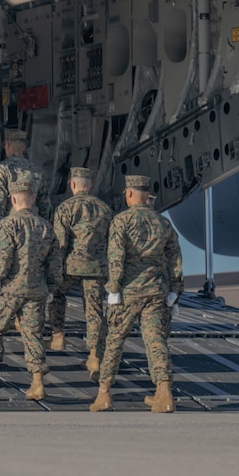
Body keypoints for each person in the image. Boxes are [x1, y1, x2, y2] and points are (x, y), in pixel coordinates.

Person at [89, 174, 183, 413]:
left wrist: (113, 290)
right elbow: (175, 261)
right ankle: (164, 394)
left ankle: (104, 394)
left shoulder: (122, 221)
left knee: (114, 341)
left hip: (128, 293)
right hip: (156, 292)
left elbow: (116, 259)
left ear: (129, 194)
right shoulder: (163, 223)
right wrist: (175, 292)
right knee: (155, 341)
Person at [0, 174, 61, 401]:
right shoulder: (46, 227)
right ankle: (37, 383)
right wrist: (52, 287)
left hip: (11, 289)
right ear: (33, 199)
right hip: (37, 290)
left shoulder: (9, 224)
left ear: (13, 199)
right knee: (33, 335)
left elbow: (4, 257)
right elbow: (55, 262)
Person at [48, 166, 113, 377]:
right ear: (90, 185)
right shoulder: (105, 209)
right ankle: (95, 355)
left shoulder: (65, 208)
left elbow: (61, 242)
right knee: (94, 310)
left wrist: (53, 270)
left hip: (71, 266)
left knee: (56, 294)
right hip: (96, 268)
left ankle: (58, 334)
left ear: (72, 184)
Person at [0, 128, 51, 222]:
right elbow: (45, 204)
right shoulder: (36, 170)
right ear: (24, 148)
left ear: (8, 145)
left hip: (11, 224)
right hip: (35, 223)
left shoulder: (1, 169)